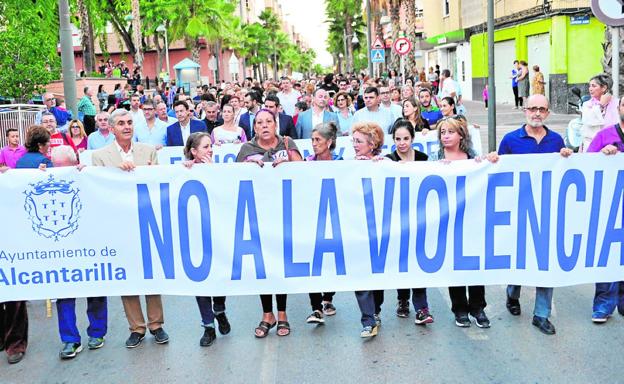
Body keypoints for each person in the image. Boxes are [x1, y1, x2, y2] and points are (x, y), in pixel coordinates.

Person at [91, 109, 168, 348]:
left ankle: (156, 325)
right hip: (119, 225)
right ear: (112, 128)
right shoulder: (100, 156)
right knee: (127, 277)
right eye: (121, 123)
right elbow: (100, 189)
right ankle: (136, 328)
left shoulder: (147, 152)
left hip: (146, 221)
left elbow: (158, 183)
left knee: (150, 274)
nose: (126, 127)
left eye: (129, 123)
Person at [498, 94, 572, 335]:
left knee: (545, 262)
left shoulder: (556, 140)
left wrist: (567, 158)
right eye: (533, 108)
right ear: (525, 111)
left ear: (548, 113)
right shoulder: (510, 140)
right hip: (519, 211)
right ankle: (513, 293)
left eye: (542, 109)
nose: (537, 113)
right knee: (519, 259)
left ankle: (541, 314)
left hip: (548, 212)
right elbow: (499, 174)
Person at [236, 109, 303, 338]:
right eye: (259, 123)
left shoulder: (287, 142)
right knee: (262, 266)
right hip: (258, 215)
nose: (264, 126)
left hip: (285, 213)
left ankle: (282, 313)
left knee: (280, 263)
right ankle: (267, 314)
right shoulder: (247, 149)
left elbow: (305, 172)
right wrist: (246, 167)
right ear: (254, 128)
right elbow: (232, 180)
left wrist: (289, 162)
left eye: (268, 122)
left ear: (276, 125)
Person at [430, 116, 499, 328]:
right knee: (455, 266)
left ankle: (478, 308)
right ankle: (459, 309)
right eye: (443, 132)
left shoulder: (472, 158)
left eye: (450, 132)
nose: (446, 136)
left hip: (473, 221)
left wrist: (488, 162)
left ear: (461, 135)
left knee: (475, 265)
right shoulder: (435, 158)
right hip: (448, 221)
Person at [181, 132, 232, 346]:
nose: (210, 149)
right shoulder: (183, 171)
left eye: (210, 146)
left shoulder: (218, 170)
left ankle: (219, 309)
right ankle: (208, 326)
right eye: (205, 146)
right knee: (200, 281)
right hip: (194, 234)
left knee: (219, 275)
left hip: (217, 232)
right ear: (193, 151)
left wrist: (212, 172)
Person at [383, 119, 433, 323]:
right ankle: (403, 299)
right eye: (397, 139)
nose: (402, 143)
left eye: (405, 138)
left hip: (420, 217)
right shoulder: (388, 159)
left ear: (412, 138)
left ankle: (422, 307)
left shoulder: (423, 158)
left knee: (418, 262)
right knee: (402, 261)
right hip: (398, 218)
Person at [585, 95, 624, 323]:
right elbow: (586, 167)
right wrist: (602, 156)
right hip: (610, 206)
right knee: (609, 256)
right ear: (618, 108)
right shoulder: (604, 136)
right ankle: (603, 305)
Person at [304, 122, 341, 324]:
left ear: (329, 142)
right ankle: (316, 307)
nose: (314, 144)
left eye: (317, 140)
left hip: (335, 220)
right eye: (312, 140)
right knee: (314, 263)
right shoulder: (307, 162)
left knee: (331, 262)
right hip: (313, 219)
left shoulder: (342, 163)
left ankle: (328, 298)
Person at [351, 121, 384, 337]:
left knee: (377, 277)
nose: (354, 145)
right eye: (353, 141)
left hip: (380, 229)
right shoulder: (346, 165)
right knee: (361, 275)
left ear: (372, 144)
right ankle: (368, 319)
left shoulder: (384, 163)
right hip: (356, 229)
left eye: (359, 141)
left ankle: (375, 309)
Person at [580, 74, 620, 152]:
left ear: (604, 88)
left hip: (613, 147)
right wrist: (600, 105)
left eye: (594, 86)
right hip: (592, 145)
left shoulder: (617, 104)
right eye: (590, 86)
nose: (590, 89)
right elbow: (588, 121)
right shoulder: (587, 104)